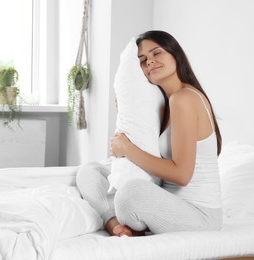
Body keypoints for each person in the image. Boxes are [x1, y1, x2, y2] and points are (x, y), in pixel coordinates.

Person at [76, 30, 223, 237]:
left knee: (129, 193)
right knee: (89, 172)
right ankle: (116, 225)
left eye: (157, 53)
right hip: (168, 201)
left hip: (200, 215)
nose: (150, 62)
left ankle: (126, 221)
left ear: (175, 54)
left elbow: (182, 175)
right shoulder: (167, 101)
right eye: (143, 60)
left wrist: (128, 149)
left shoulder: (184, 99)